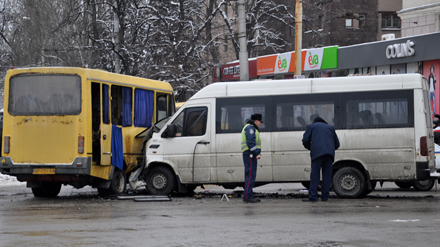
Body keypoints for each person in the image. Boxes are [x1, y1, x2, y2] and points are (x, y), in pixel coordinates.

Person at [302, 117, 340, 202]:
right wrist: (329, 149)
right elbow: (337, 144)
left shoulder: (312, 127)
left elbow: (305, 140)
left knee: (315, 175)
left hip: (317, 154)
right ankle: (325, 197)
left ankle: (313, 197)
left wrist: (311, 147)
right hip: (329, 155)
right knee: (327, 176)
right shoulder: (330, 128)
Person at [241, 113, 263, 203]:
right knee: (250, 175)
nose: (260, 124)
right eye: (260, 122)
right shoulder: (250, 128)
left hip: (250, 154)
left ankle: (249, 194)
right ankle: (247, 196)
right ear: (256, 121)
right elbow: (251, 142)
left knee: (250, 175)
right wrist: (257, 153)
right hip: (250, 154)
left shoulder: (251, 127)